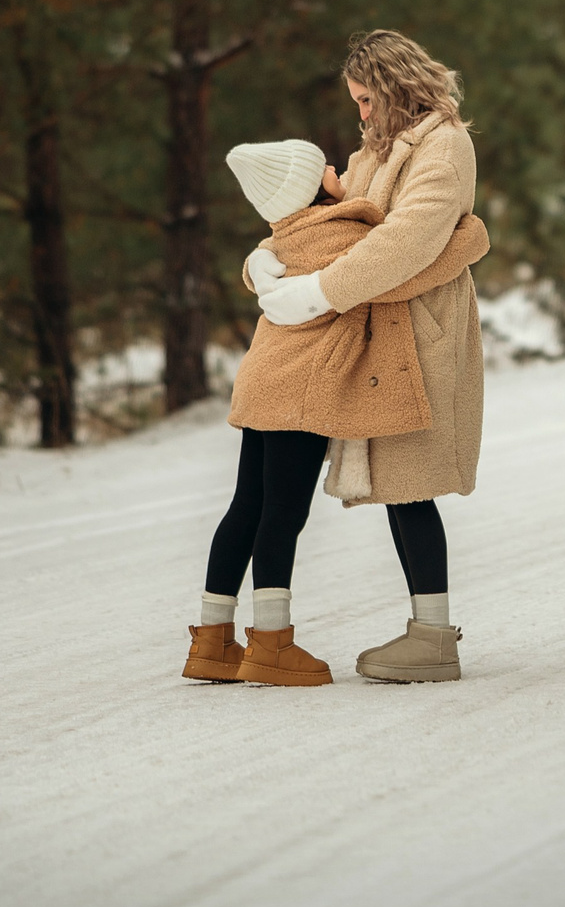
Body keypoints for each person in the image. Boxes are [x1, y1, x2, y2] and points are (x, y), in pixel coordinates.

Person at [180, 129, 489, 687]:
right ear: (315, 186)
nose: (338, 168)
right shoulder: (344, 231)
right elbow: (399, 261)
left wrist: (254, 263)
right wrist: (471, 236)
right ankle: (272, 644)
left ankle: (212, 640)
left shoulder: (281, 239)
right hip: (302, 390)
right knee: (283, 514)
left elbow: (277, 260)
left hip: (260, 382)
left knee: (245, 505)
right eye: (326, 166)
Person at [249, 29, 485, 685]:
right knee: (399, 487)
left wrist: (320, 291)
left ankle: (434, 635)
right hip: (377, 334)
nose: (360, 113)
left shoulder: (444, 143)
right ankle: (430, 630)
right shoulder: (371, 154)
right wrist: (264, 264)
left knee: (412, 482)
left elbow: (407, 241)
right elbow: (324, 224)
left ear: (392, 85)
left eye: (364, 98)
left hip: (419, 333)